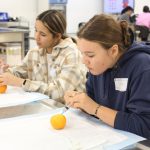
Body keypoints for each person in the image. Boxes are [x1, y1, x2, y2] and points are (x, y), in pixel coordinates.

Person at [64, 14, 150, 138]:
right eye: (82, 54)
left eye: (90, 55)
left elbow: (145, 126)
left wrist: (95, 109)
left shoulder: (143, 67)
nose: (84, 61)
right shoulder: (98, 68)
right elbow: (93, 106)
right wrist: (80, 103)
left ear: (113, 51)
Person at [0, 10, 87, 103]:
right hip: (45, 107)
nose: (36, 37)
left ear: (57, 36)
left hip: (69, 111)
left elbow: (59, 92)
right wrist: (5, 71)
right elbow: (20, 72)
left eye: (43, 34)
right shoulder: (35, 52)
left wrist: (22, 83)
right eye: (36, 30)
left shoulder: (71, 54)